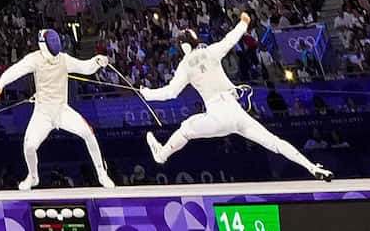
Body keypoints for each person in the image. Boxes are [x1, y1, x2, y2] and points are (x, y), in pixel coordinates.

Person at [137, 11, 331, 180]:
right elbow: (229, 40)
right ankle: (311, 167)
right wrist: (243, 23)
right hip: (236, 113)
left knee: (186, 128)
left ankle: (161, 155)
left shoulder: (185, 66)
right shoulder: (211, 52)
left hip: (217, 115)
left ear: (182, 47)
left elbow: (171, 92)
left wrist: (147, 94)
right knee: (274, 142)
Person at [0, 27, 115, 190]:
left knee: (88, 133)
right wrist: (1, 82)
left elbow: (85, 68)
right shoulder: (34, 59)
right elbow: (17, 69)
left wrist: (97, 62)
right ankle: (33, 177)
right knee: (29, 146)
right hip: (42, 113)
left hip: (62, 111)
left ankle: (102, 174)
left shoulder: (63, 59)